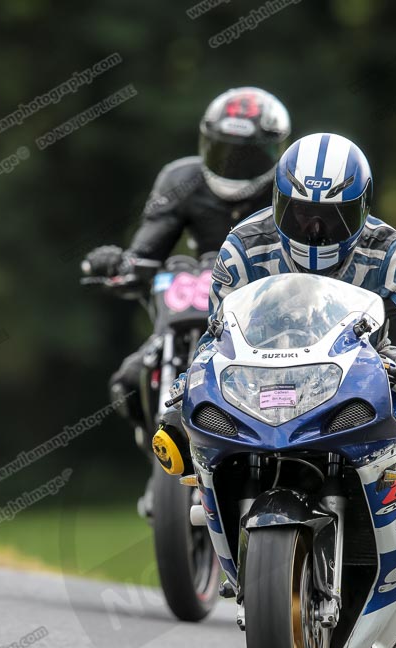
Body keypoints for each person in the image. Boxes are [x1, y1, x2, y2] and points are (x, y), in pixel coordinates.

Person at [163, 132, 396, 589]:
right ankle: (220, 513)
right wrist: (193, 373)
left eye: (332, 217)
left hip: (365, 375)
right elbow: (216, 336)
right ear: (278, 202)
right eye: (301, 213)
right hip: (263, 376)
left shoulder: (390, 252)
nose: (314, 230)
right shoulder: (243, 246)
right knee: (180, 417)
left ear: (361, 208)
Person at [82, 86, 291, 431]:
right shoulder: (180, 179)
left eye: (246, 156)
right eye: (224, 152)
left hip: (275, 317)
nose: (232, 165)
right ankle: (157, 453)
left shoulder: (289, 187)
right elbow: (149, 246)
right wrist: (122, 264)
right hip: (198, 302)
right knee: (128, 382)